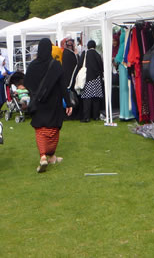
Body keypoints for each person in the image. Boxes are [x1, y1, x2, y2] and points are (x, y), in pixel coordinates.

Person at [24, 38, 72, 173]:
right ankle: (51, 155)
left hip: (39, 103)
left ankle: (44, 156)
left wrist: (35, 93)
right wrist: (68, 103)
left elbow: (26, 82)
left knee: (40, 129)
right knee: (53, 129)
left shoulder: (32, 66)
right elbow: (63, 86)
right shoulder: (56, 65)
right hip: (54, 102)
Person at [80, 40, 104, 123]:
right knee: (96, 98)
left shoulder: (85, 54)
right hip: (97, 79)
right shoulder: (97, 54)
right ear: (95, 46)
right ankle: (96, 116)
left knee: (87, 98)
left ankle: (86, 117)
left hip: (87, 78)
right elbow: (101, 66)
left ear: (87, 46)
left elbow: (80, 64)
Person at [61, 38, 80, 120]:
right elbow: (76, 64)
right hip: (70, 80)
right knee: (71, 97)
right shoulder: (69, 53)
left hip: (68, 79)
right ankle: (71, 114)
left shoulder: (66, 53)